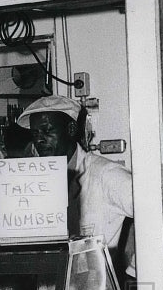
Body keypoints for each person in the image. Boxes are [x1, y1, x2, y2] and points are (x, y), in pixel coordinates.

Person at [16, 95, 135, 278]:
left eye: (47, 131)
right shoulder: (37, 181)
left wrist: (134, 272)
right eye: (35, 134)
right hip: (53, 284)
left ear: (71, 129)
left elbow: (158, 214)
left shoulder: (106, 174)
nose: (39, 140)